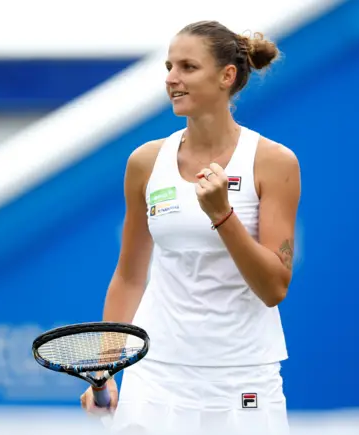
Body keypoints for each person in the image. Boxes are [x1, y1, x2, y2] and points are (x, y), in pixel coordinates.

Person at [80, 20, 301, 435]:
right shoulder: (145, 162)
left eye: (187, 67)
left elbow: (274, 288)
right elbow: (129, 276)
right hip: (155, 374)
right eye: (168, 66)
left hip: (242, 376)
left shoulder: (274, 162)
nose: (172, 78)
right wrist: (107, 367)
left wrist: (222, 216)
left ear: (226, 76)